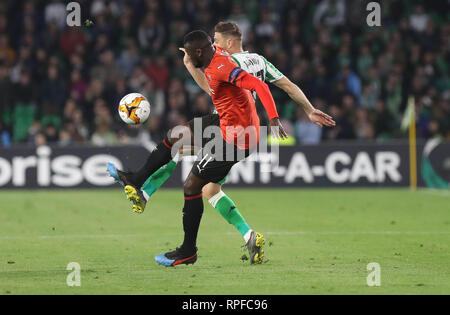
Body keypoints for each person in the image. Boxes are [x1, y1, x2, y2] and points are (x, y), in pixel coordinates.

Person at [114, 21, 335, 242]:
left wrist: (190, 65)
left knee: (179, 150)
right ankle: (249, 236)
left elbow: (210, 89)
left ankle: (143, 193)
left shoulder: (228, 63)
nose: (213, 44)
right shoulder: (259, 61)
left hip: (228, 128)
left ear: (229, 42)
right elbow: (288, 85)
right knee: (210, 190)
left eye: (216, 41)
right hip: (245, 129)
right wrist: (310, 109)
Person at [108, 30, 286, 266]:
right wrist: (188, 55)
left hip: (237, 137)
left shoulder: (223, 68)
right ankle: (136, 181)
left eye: (192, 55)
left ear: (200, 52)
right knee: (175, 137)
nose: (189, 59)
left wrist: (273, 118)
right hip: (225, 121)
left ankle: (188, 251)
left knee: (192, 185)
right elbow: (213, 49)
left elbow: (258, 86)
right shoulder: (213, 55)